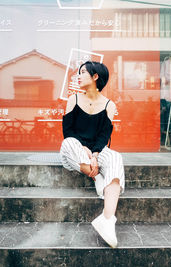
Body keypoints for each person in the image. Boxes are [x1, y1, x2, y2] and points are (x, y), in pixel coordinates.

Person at [60, 61, 125, 248]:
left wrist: (95, 154)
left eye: (82, 73)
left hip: (96, 152)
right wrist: (84, 149)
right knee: (68, 143)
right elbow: (68, 131)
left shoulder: (108, 105)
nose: (78, 76)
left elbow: (104, 135)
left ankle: (107, 219)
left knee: (115, 157)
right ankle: (98, 178)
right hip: (74, 153)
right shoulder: (74, 99)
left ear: (95, 77)